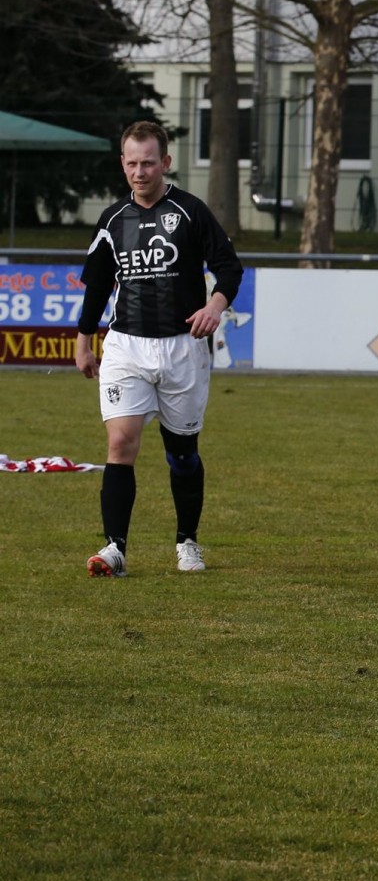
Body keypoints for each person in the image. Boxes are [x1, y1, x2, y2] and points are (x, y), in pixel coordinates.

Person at [74, 121, 244, 578]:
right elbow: (96, 287)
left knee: (182, 453)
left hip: (182, 348)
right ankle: (114, 548)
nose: (140, 171)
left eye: (148, 162)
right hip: (126, 345)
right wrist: (83, 340)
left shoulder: (190, 211)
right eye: (132, 163)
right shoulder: (112, 219)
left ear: (165, 162)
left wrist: (214, 304)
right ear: (123, 165)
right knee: (120, 442)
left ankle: (187, 541)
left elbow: (229, 268)